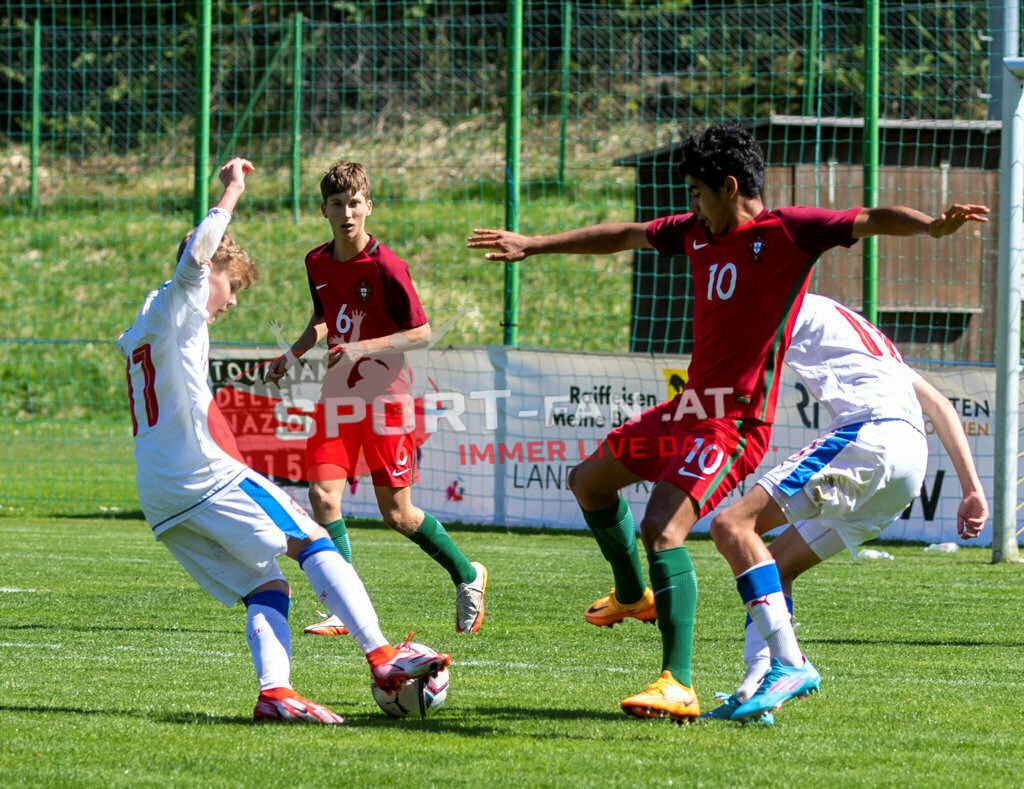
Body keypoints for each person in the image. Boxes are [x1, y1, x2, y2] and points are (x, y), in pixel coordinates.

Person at [466, 122, 989, 722]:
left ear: (730, 185)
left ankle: (677, 682)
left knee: (667, 527)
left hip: (731, 424)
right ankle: (637, 597)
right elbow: (625, 235)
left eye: (696, 191)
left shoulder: (788, 231)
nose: (690, 205)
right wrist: (536, 244)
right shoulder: (695, 233)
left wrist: (930, 226)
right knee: (589, 481)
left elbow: (869, 217)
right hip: (688, 408)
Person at [117, 157, 450, 724]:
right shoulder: (182, 301)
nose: (233, 300)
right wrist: (232, 191)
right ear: (208, 273)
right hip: (201, 474)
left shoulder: (138, 328)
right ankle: (384, 660)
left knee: (267, 587)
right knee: (313, 539)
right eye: (232, 285)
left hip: (160, 495)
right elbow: (199, 255)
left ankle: (275, 692)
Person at [701, 293, 989, 723]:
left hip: (870, 437)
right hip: (908, 462)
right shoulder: (870, 337)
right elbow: (941, 406)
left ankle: (791, 664)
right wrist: (972, 488)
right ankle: (757, 691)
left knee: (731, 525)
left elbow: (746, 381)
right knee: (775, 566)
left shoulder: (776, 301)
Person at [264, 160, 487, 636]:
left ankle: (468, 575)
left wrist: (363, 348)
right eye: (337, 204)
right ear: (323, 209)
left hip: (387, 398)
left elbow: (422, 333)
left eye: (354, 204)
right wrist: (293, 352)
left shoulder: (387, 265)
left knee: (398, 515)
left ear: (369, 206)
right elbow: (324, 317)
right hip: (337, 397)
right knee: (323, 497)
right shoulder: (316, 261)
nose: (347, 213)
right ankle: (344, 607)